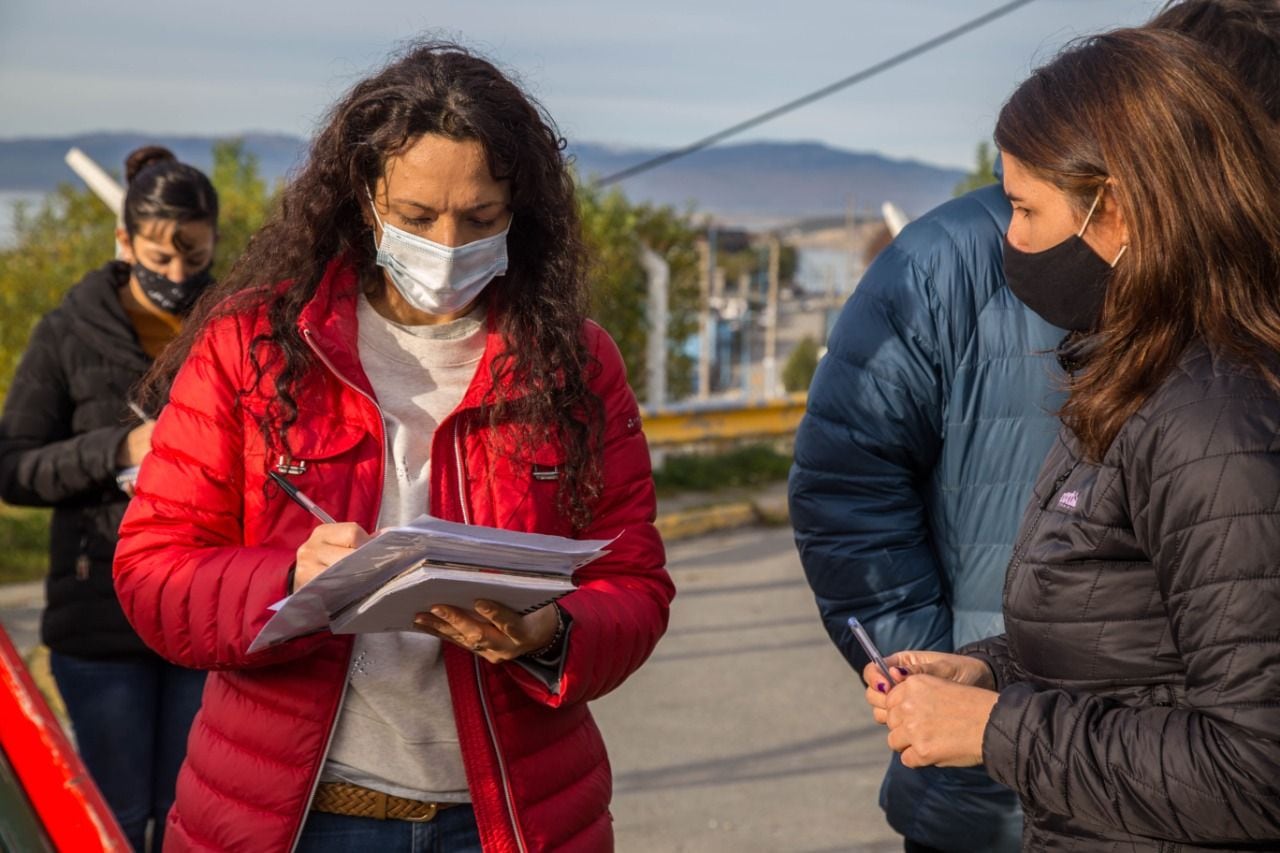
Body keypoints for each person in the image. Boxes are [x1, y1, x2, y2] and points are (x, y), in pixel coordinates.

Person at [112, 42, 673, 853]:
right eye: (415, 217)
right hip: (299, 815)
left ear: (522, 211)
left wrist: (549, 633)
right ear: (362, 198)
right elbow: (153, 573)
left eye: (480, 219)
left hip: (510, 819)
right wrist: (288, 579)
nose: (447, 245)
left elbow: (635, 585)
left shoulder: (576, 364)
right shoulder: (254, 345)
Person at [790, 1, 1280, 849]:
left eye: (1024, 209)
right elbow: (1137, 643)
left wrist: (992, 727)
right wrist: (985, 667)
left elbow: (1255, 767)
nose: (1007, 241)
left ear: (1117, 209)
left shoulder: (1210, 418)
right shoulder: (1135, 373)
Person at [0, 145, 216, 851]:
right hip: (100, 622)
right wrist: (119, 450)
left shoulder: (228, 330)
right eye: (160, 258)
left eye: (195, 255)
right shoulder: (68, 333)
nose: (178, 275)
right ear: (124, 241)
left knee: (191, 820)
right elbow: (12, 468)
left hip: (204, 613)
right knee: (111, 819)